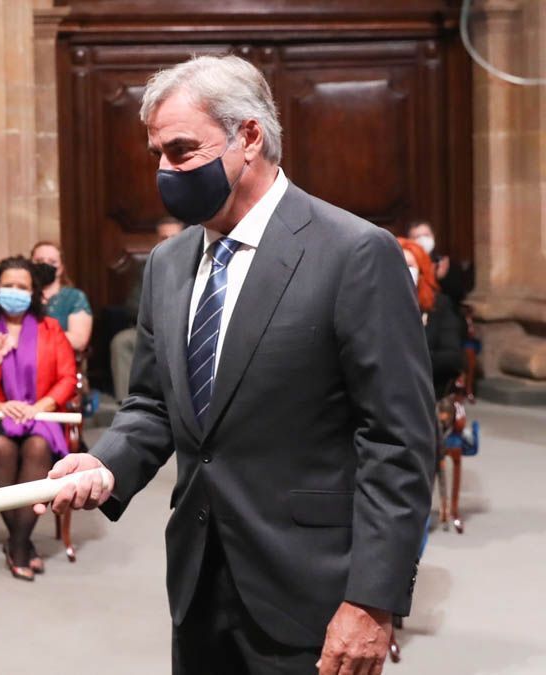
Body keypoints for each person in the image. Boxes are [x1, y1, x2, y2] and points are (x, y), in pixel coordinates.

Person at [39, 55, 435, 675]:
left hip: (313, 593)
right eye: (157, 155)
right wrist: (105, 462)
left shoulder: (354, 252)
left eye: (181, 151)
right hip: (198, 584)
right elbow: (152, 404)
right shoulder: (168, 264)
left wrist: (372, 599)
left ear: (248, 136)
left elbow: (398, 440)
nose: (165, 172)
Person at [0, 256, 77, 581]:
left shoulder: (51, 330)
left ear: (33, 292)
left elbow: (68, 377)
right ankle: (22, 544)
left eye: (22, 287)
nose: (15, 291)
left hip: (41, 415)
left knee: (37, 447)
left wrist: (41, 406)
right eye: (8, 285)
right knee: (1, 447)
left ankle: (17, 543)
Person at [111, 217, 184, 402]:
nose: (168, 242)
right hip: (153, 329)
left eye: (173, 237)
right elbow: (133, 304)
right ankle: (128, 405)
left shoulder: (198, 263)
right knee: (121, 341)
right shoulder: (147, 267)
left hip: (185, 330)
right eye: (163, 238)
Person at [399, 238, 465, 398]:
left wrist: (410, 361)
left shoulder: (438, 305)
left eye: (409, 266)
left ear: (421, 271)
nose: (404, 271)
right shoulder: (375, 306)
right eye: (398, 265)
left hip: (427, 390)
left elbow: (452, 358)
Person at [30, 242, 93, 353]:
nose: (45, 265)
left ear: (61, 268)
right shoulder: (23, 296)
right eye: (39, 261)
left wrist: (35, 336)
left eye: (52, 262)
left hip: (61, 359)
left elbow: (79, 341)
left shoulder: (74, 297)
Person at [407, 219, 474, 308]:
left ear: (433, 236)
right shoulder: (407, 264)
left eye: (426, 235)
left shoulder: (445, 264)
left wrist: (442, 279)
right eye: (417, 237)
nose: (423, 240)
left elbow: (459, 295)